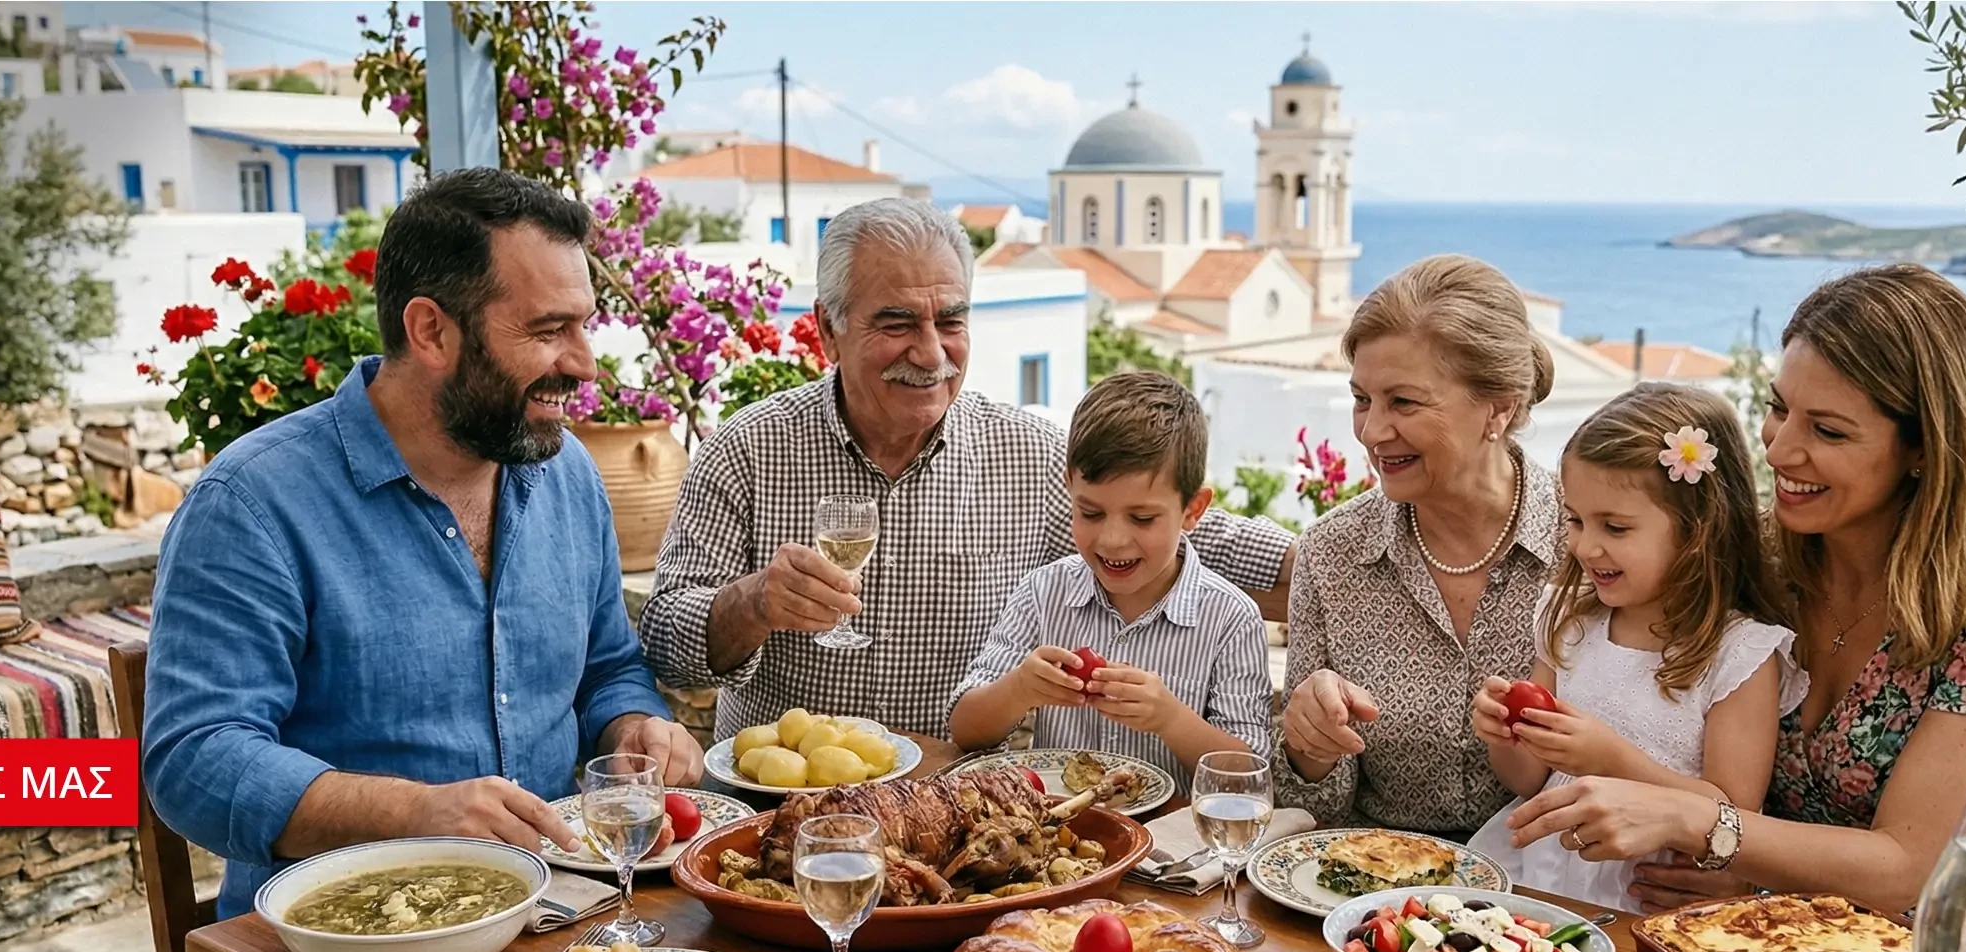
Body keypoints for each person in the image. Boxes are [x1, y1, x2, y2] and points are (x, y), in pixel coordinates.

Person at [139, 168, 707, 938]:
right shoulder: (252, 502)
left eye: (583, 326)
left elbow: (607, 667)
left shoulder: (566, 473)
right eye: (548, 331)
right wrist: (416, 814)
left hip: (561, 917)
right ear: (431, 331)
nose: (584, 364)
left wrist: (632, 723)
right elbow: (193, 763)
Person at [1504, 264, 1966, 915]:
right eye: (1778, 408)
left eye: (1827, 430)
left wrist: (1711, 835)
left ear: (1925, 448)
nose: (1779, 450)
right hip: (1748, 937)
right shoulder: (1753, 560)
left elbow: (1906, 867)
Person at [640, 198, 1294, 741]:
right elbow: (666, 642)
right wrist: (754, 603)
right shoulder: (748, 449)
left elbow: (1178, 525)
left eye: (950, 321)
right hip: (782, 804)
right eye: (897, 324)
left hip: (955, 815)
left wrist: (1327, 561)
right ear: (828, 331)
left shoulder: (1029, 456)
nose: (931, 354)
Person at [1461, 384, 1798, 912]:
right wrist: (1506, 735)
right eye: (1575, 520)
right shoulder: (1571, 622)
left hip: (1643, 895)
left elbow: (1733, 813)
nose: (1585, 546)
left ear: (1697, 531)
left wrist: (1611, 759)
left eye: (1615, 527)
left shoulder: (1738, 655)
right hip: (1542, 878)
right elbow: (1528, 780)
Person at [1271, 255, 1569, 837]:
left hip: (1551, 880)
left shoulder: (1587, 548)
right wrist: (1310, 747)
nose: (1371, 431)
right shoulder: (1332, 552)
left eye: (1403, 402)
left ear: (1499, 407)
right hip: (1379, 874)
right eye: (1362, 399)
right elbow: (1318, 804)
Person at [947, 371, 1274, 775]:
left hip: (1177, 817)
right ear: (1068, 488)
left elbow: (1249, 771)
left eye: (1142, 518)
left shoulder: (1230, 618)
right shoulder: (1043, 593)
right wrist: (1018, 689)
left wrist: (1171, 719)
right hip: (1059, 815)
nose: (1113, 540)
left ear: (1193, 510)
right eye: (1091, 513)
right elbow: (965, 731)